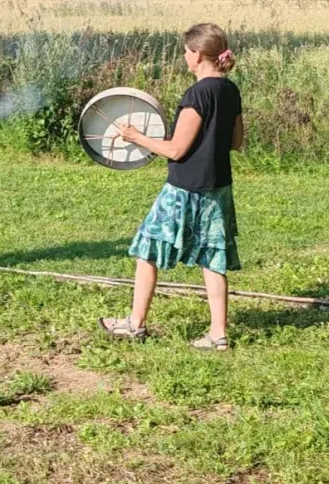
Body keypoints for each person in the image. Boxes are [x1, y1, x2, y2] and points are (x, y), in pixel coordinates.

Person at [102, 22, 244, 350]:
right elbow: (236, 142)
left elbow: (176, 150)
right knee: (213, 259)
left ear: (198, 55)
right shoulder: (230, 90)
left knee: (147, 249)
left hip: (184, 189)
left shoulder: (197, 94)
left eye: (186, 51)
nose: (184, 56)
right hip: (218, 188)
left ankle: (135, 324)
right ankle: (218, 335)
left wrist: (136, 137)